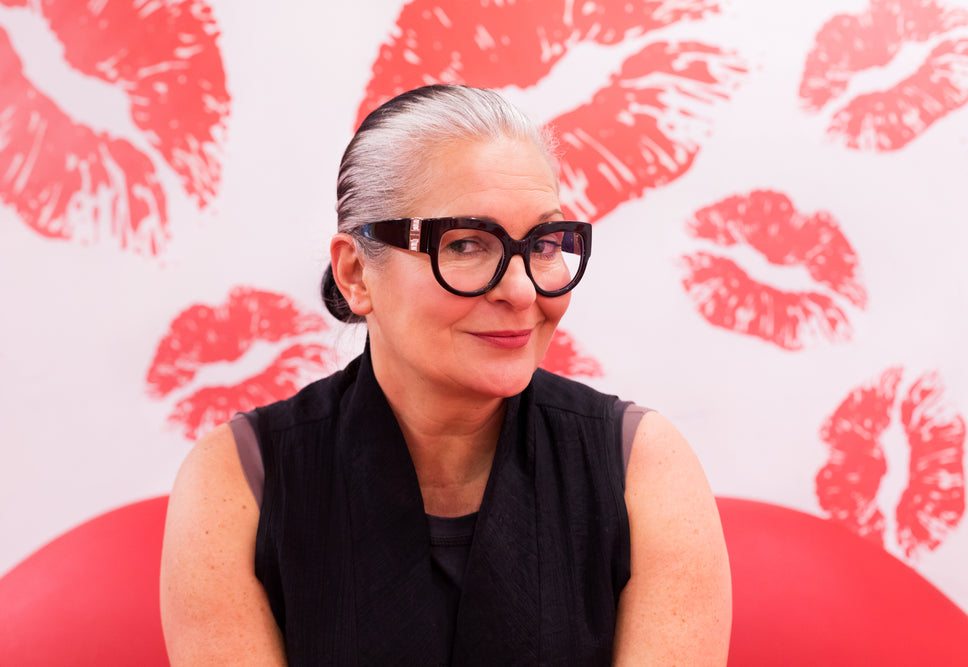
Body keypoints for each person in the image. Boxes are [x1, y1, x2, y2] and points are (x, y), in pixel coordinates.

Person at [160, 84, 731, 665]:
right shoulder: (240, 480)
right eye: (464, 245)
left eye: (543, 242)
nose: (521, 290)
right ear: (357, 273)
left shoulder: (640, 466)